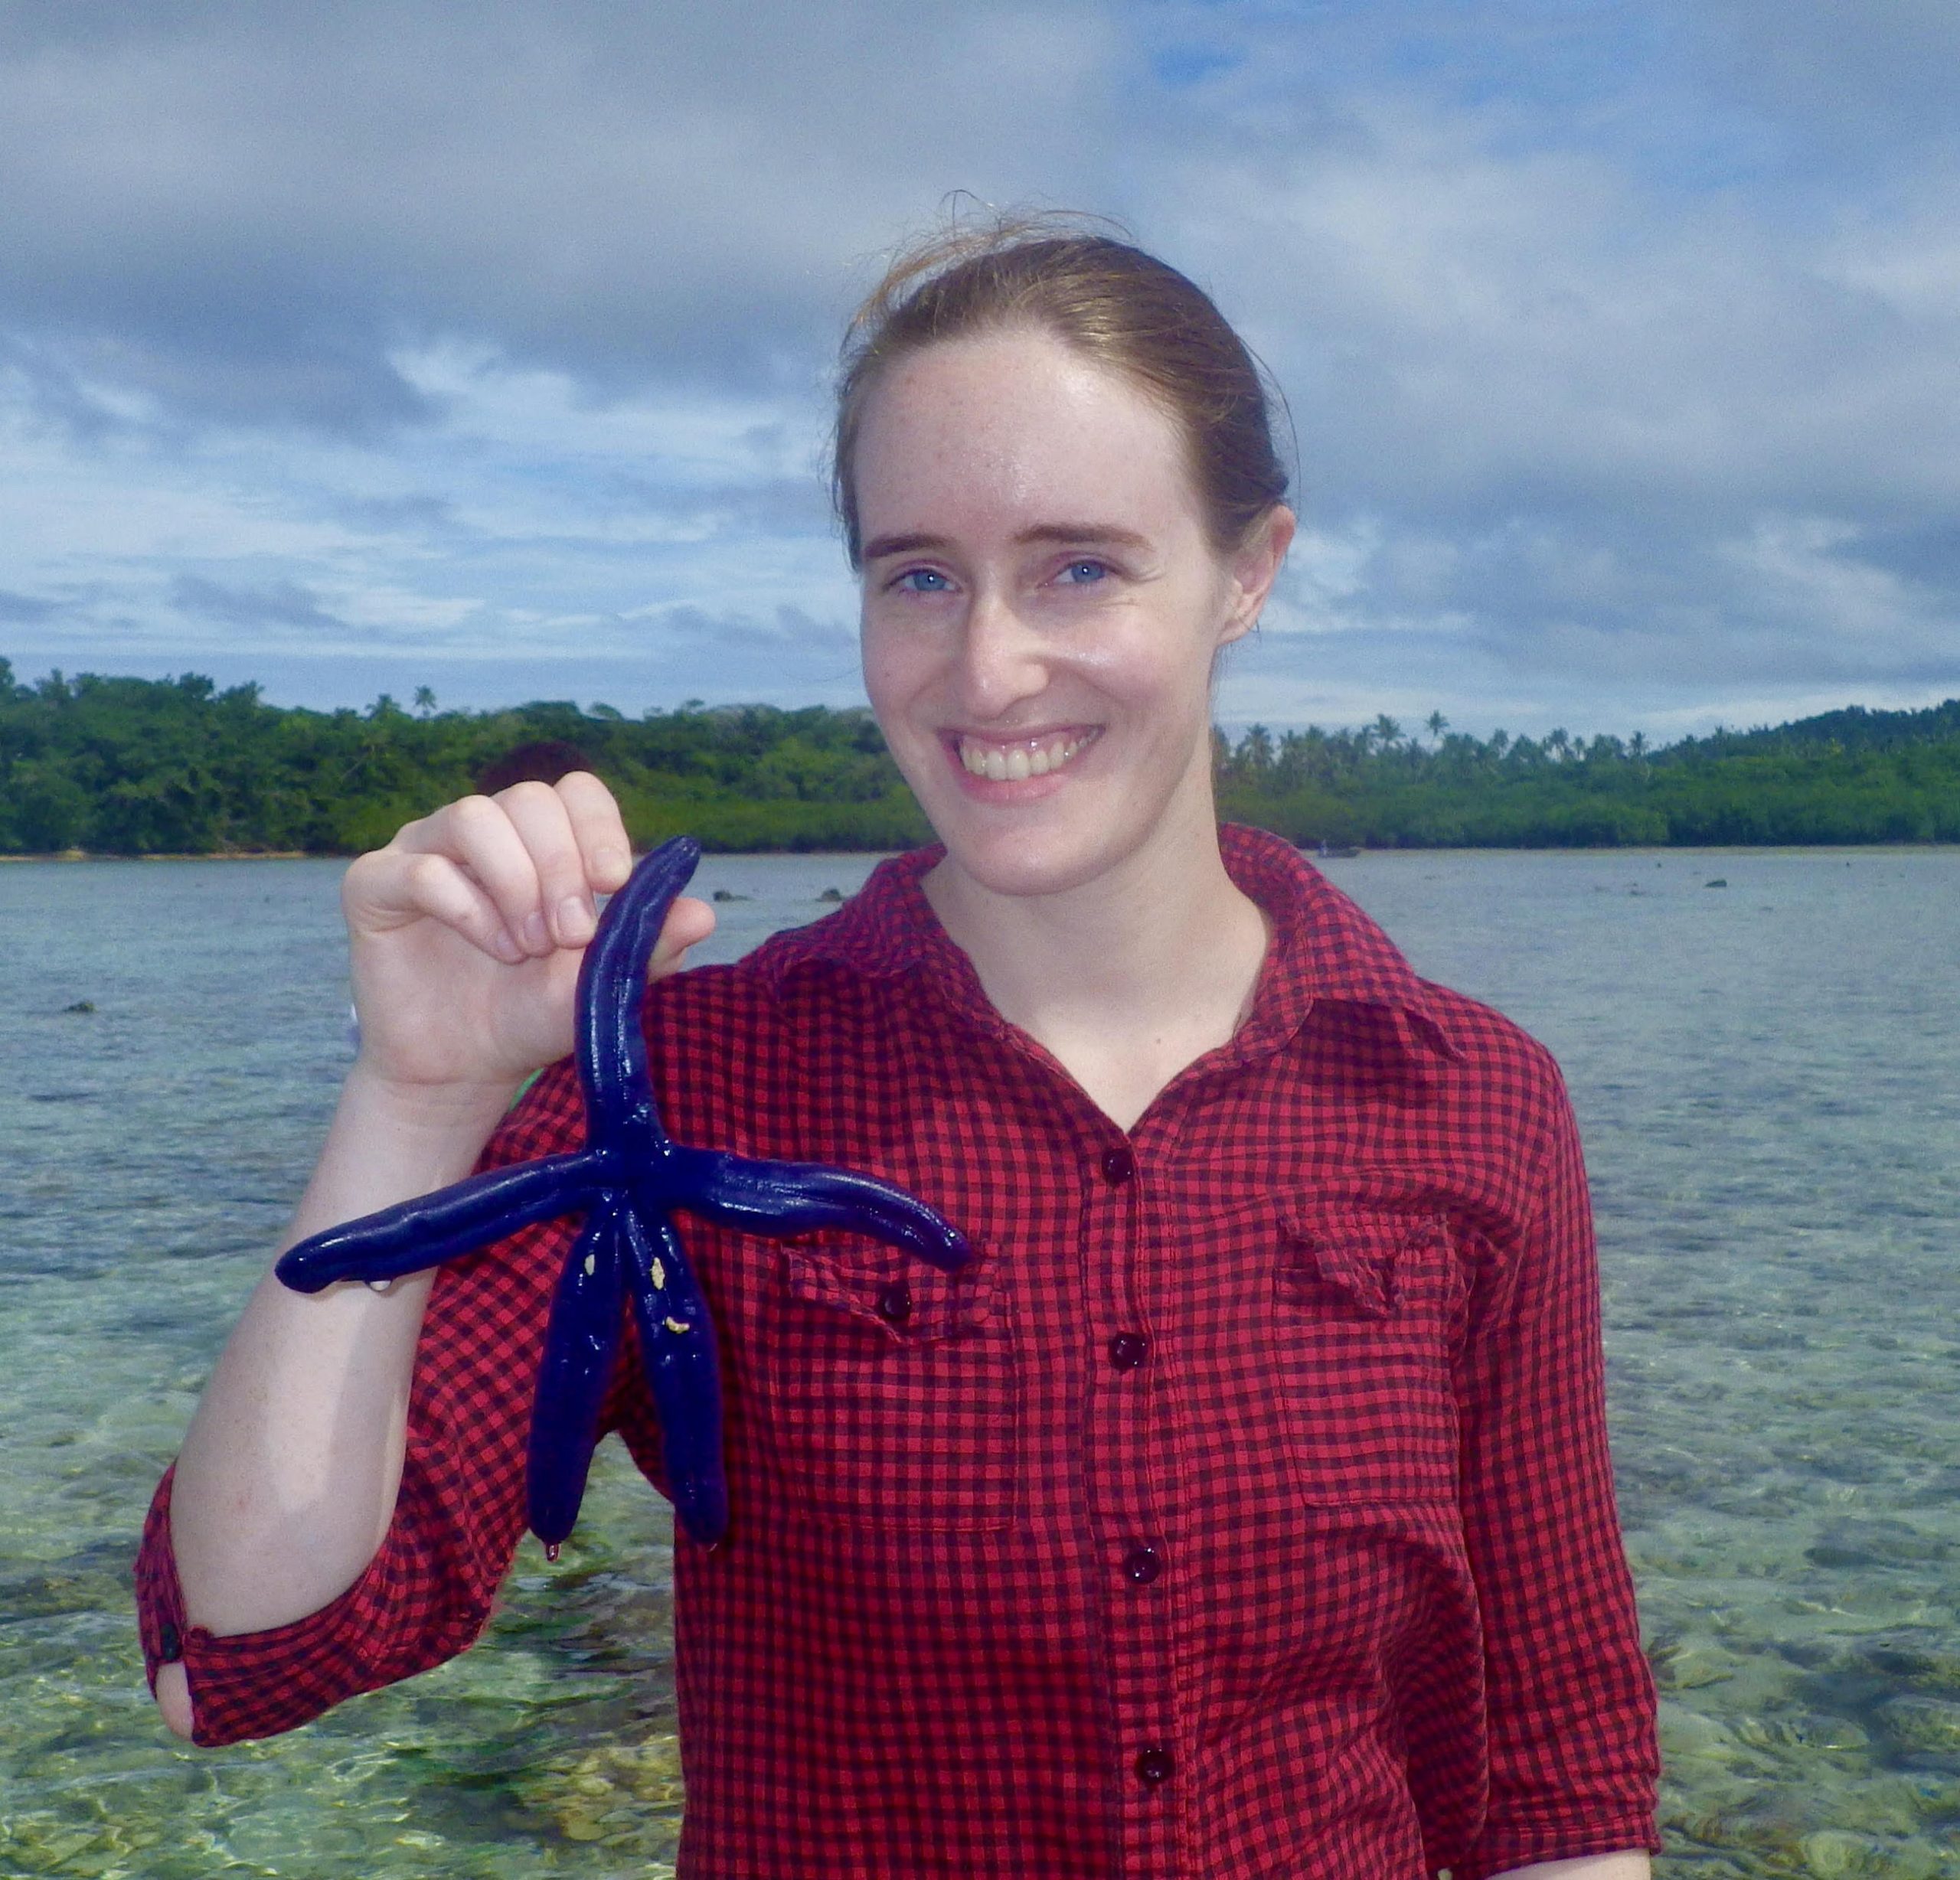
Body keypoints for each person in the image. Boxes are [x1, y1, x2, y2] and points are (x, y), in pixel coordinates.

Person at [137, 217, 1659, 1878]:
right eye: (918, 575)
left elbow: (1554, 1761)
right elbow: (240, 1658)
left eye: (1078, 563)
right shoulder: (699, 1079)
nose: (988, 668)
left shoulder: (1467, 1100)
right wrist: (416, 1095)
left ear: (1247, 568)